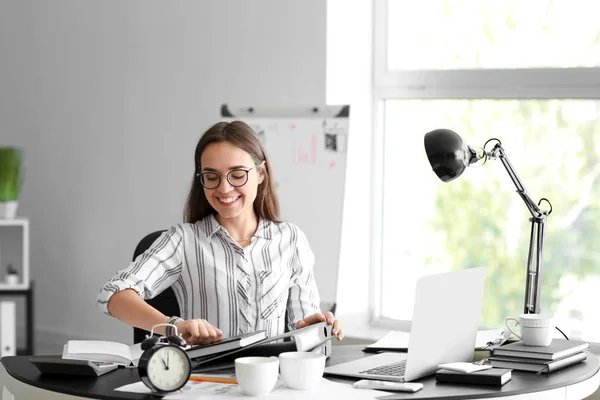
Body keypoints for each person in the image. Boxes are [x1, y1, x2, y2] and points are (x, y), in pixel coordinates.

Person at [97, 121, 343, 345]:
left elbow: (304, 329)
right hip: (206, 381)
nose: (224, 188)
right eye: (211, 177)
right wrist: (175, 327)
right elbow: (113, 294)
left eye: (237, 175)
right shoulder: (184, 240)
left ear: (260, 174)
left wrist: (318, 328)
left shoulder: (290, 239)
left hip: (270, 382)